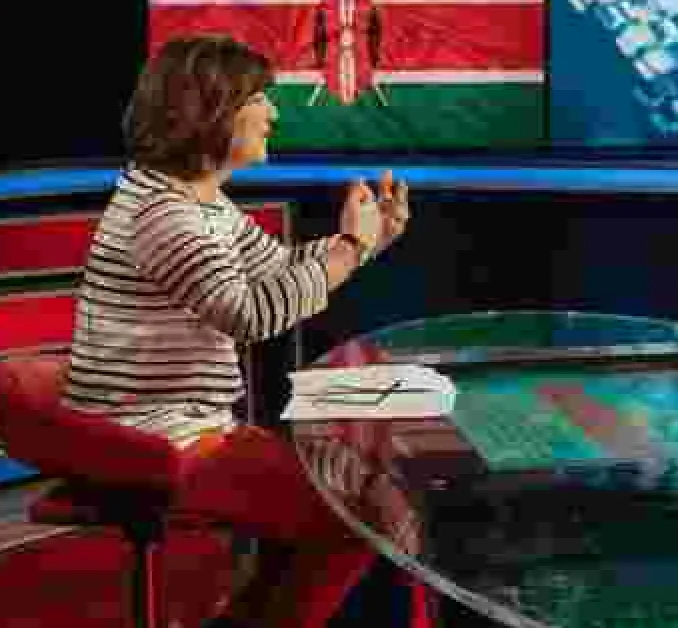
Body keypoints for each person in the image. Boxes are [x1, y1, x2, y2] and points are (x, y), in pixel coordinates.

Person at [61, 35, 416, 627]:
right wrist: (351, 246)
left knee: (342, 496)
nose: (273, 112)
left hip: (186, 425)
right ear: (211, 110)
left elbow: (278, 269)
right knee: (361, 512)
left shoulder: (192, 200)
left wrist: (367, 240)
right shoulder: (164, 215)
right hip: (155, 437)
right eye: (258, 98)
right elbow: (250, 314)